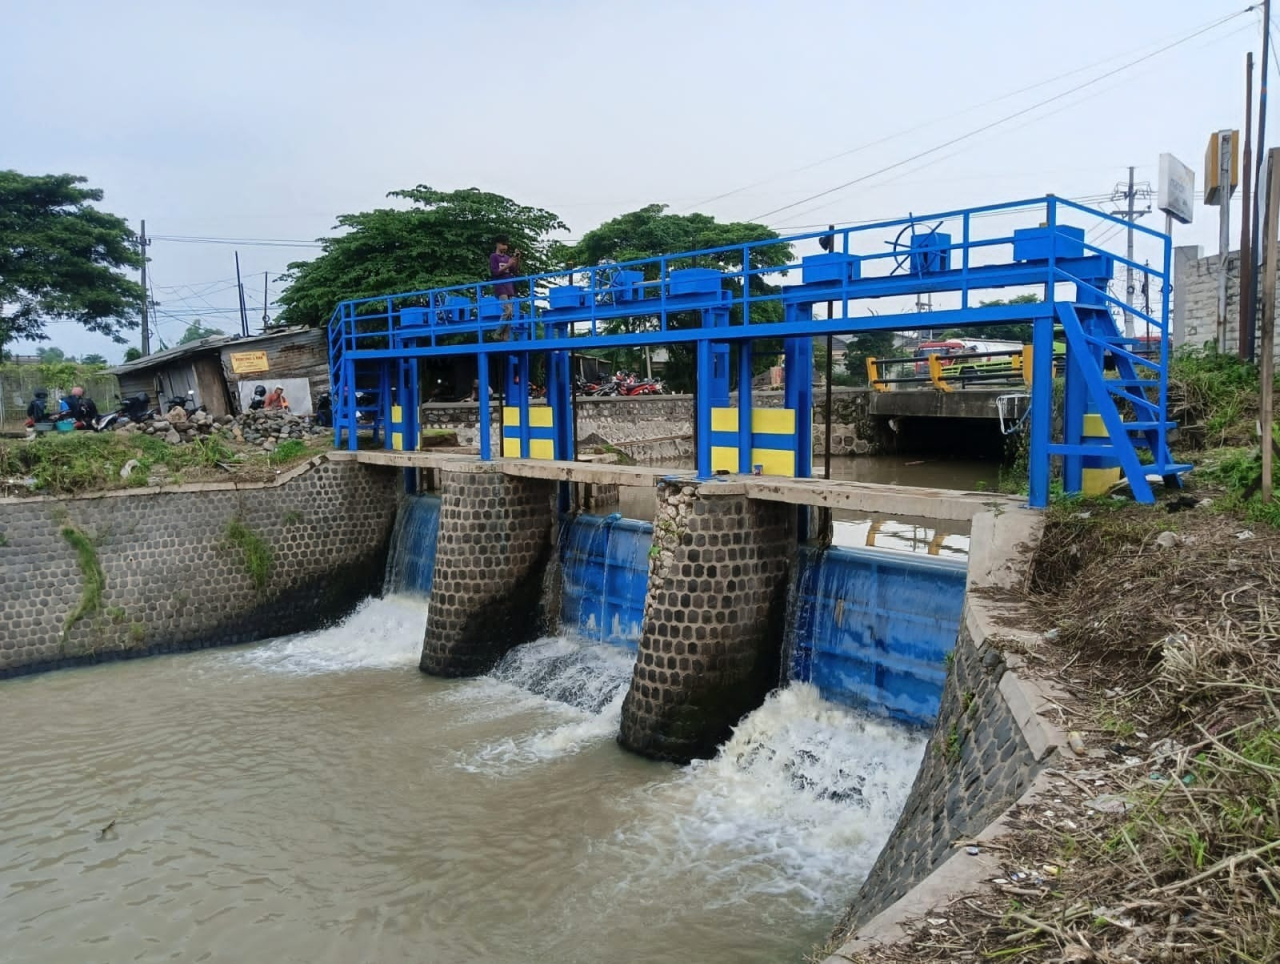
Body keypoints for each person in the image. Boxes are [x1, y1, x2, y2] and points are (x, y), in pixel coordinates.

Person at [489, 235, 522, 337]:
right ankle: (497, 333)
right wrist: (508, 264)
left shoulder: (508, 258)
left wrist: (517, 260)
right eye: (503, 244)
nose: (505, 246)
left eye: (506, 244)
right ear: (497, 244)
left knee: (510, 313)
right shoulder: (493, 256)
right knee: (507, 310)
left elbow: (515, 271)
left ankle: (505, 337)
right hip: (500, 286)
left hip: (509, 287)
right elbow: (495, 272)